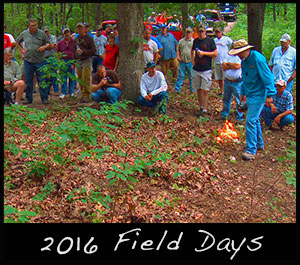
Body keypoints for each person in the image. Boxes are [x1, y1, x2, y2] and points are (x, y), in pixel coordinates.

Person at [228, 39, 277, 161]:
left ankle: (251, 150)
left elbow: (268, 77)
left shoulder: (257, 59)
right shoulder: (244, 61)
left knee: (250, 120)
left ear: (246, 50)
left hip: (259, 94)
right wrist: (243, 93)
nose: (238, 55)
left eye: (239, 52)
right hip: (249, 94)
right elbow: (245, 77)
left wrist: (270, 95)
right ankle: (259, 144)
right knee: (254, 120)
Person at [16, 18, 50, 104]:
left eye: (35, 25)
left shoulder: (41, 33)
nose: (34, 27)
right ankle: (29, 98)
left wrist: (44, 47)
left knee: (42, 79)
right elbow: (17, 42)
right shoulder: (24, 34)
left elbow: (48, 43)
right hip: (28, 60)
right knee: (28, 80)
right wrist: (22, 50)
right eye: (32, 26)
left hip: (40, 60)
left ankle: (44, 98)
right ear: (28, 26)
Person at [191, 23, 218, 117]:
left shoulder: (210, 41)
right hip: (197, 68)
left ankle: (205, 110)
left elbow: (215, 53)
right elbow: (193, 50)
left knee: (205, 90)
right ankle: (201, 107)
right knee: (198, 89)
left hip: (206, 69)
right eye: (199, 31)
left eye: (202, 31)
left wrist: (204, 53)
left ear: (205, 31)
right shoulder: (196, 41)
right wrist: (192, 61)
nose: (201, 33)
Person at [216, 53, 243, 122]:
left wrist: (229, 65)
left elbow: (238, 66)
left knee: (238, 99)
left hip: (237, 82)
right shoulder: (228, 55)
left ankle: (239, 117)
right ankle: (224, 115)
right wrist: (232, 65)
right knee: (226, 98)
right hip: (227, 80)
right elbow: (223, 66)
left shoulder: (240, 57)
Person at [74, 22, 96, 103]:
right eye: (78, 28)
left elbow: (93, 50)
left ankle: (87, 95)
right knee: (79, 78)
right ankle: (83, 94)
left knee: (85, 77)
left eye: (81, 28)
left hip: (87, 59)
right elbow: (74, 50)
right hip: (78, 60)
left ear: (84, 29)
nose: (79, 30)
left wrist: (84, 52)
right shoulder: (76, 39)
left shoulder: (89, 38)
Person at [56, 27, 76, 98]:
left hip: (71, 61)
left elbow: (75, 52)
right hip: (63, 61)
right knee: (63, 77)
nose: (67, 34)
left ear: (70, 33)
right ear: (63, 34)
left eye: (68, 32)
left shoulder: (74, 42)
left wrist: (74, 63)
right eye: (65, 33)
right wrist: (60, 62)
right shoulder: (60, 43)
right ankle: (63, 92)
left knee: (72, 77)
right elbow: (57, 52)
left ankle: (72, 92)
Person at [175, 27, 195, 93]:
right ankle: (177, 89)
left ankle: (193, 89)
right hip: (182, 61)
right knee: (180, 75)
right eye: (187, 32)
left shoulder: (194, 41)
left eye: (189, 32)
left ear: (192, 33)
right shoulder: (181, 41)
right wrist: (178, 56)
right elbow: (178, 49)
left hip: (190, 62)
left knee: (192, 76)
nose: (188, 34)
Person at [214, 26, 233, 95]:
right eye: (216, 32)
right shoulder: (214, 40)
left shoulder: (226, 39)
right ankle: (221, 90)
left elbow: (233, 45)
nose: (217, 33)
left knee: (224, 78)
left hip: (224, 61)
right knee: (219, 78)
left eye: (218, 32)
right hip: (217, 61)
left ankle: (226, 91)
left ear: (221, 32)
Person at [42, 26, 59, 96]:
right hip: (44, 58)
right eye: (44, 32)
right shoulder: (41, 38)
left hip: (52, 58)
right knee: (45, 75)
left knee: (54, 74)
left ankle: (56, 90)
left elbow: (52, 46)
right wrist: (47, 46)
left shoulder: (52, 37)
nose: (46, 33)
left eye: (47, 31)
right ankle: (46, 90)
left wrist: (45, 47)